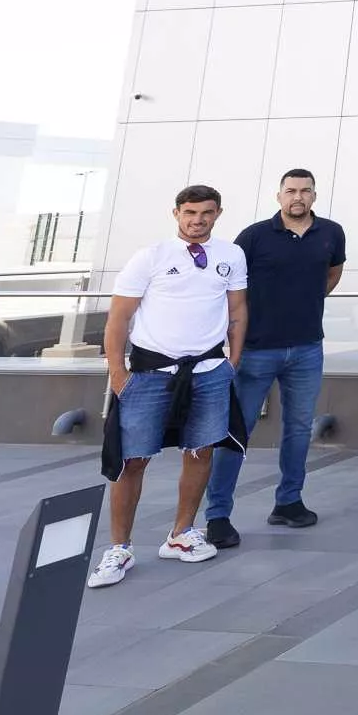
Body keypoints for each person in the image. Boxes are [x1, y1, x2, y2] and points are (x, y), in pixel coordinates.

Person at [88, 186, 248, 587]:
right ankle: (119, 547)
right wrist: (117, 374)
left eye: (206, 213)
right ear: (176, 213)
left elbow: (238, 310)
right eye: (190, 212)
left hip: (209, 371)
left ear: (218, 214)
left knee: (200, 451)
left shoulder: (231, 255)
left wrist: (233, 361)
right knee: (131, 459)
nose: (198, 220)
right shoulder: (151, 257)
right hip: (150, 373)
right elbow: (118, 320)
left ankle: (180, 534)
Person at [204, 168, 344, 549]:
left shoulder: (331, 232)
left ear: (315, 195)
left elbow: (332, 274)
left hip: (307, 349)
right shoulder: (253, 236)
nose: (298, 197)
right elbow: (231, 286)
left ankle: (288, 502)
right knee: (236, 431)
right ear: (279, 195)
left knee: (299, 429)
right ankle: (217, 515)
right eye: (291, 191)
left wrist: (307, 300)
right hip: (255, 350)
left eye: (305, 191)